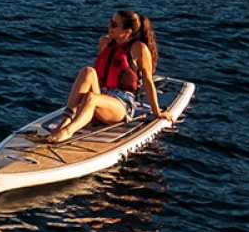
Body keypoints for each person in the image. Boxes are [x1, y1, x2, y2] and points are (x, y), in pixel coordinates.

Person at [37, 10, 163, 145]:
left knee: (92, 98)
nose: (109, 26)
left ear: (127, 32)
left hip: (121, 105)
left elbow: (148, 81)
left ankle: (68, 131)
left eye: (114, 24)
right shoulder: (105, 41)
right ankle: (66, 120)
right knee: (88, 71)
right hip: (101, 95)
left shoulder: (139, 49)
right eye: (110, 21)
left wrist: (158, 112)